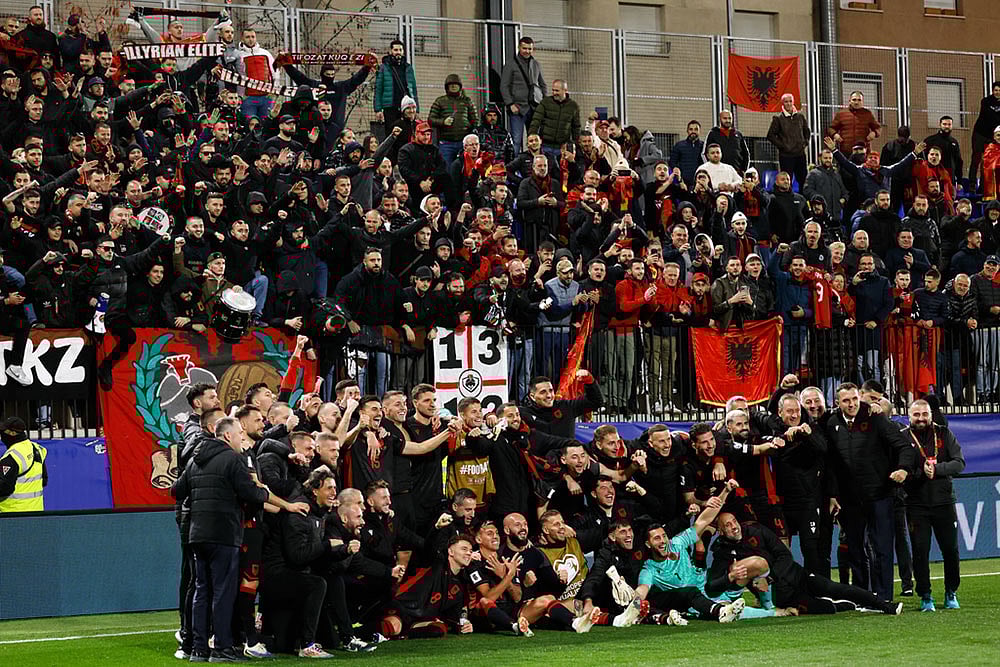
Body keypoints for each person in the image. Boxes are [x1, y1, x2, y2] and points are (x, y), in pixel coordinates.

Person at [172, 417, 309, 663]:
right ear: (227, 436)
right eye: (239, 434)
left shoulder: (194, 460)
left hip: (196, 534)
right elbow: (251, 493)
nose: (242, 439)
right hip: (224, 534)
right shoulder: (232, 459)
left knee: (201, 591)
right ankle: (223, 647)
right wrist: (264, 492)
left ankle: (199, 649)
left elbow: (176, 491)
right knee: (223, 592)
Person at [709, 511, 903, 616]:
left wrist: (770, 577)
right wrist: (730, 577)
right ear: (720, 531)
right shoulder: (722, 552)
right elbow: (712, 588)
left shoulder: (756, 530)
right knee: (825, 609)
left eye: (734, 521)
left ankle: (884, 605)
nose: (734, 526)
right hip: (783, 597)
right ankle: (853, 606)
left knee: (834, 587)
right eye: (727, 525)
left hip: (797, 575)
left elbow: (784, 556)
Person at [823, 383, 914, 603]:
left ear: (860, 398)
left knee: (882, 546)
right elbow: (831, 464)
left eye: (854, 399)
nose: (852, 404)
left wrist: (903, 469)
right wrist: (834, 494)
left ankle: (883, 597)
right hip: (850, 499)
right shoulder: (831, 422)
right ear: (838, 403)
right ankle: (861, 596)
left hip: (880, 494)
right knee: (855, 548)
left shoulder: (875, 418)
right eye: (846, 400)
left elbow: (904, 446)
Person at [902, 399, 964, 611]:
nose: (921, 418)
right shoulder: (903, 437)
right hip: (916, 504)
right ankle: (925, 595)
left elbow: (959, 462)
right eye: (916, 415)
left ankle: (951, 591)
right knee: (920, 551)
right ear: (909, 416)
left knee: (951, 550)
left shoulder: (944, 434)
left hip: (944, 502)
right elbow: (901, 469)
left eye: (924, 414)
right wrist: (920, 474)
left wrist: (938, 469)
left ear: (931, 415)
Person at [500, 36, 546, 151]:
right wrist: (510, 104)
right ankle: (514, 167)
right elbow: (504, 86)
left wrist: (544, 103)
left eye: (530, 49)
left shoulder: (536, 64)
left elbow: (542, 84)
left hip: (534, 107)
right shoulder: (510, 64)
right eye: (524, 48)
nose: (527, 51)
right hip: (518, 109)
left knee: (535, 140)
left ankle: (534, 164)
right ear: (519, 47)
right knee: (516, 140)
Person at [528, 80, 581, 164]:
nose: (554, 93)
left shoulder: (573, 106)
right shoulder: (545, 102)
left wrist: (576, 145)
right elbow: (536, 121)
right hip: (545, 146)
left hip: (562, 148)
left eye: (557, 90)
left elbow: (576, 127)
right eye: (553, 90)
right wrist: (531, 137)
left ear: (565, 90)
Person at [0, 417, 46, 512]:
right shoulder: (37, 449)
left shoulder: (12, 457)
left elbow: (4, 487)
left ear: (12, 433)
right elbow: (44, 480)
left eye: (3, 431)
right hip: (36, 513)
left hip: (12, 514)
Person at [767, 93, 810, 190]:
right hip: (786, 156)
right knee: (786, 181)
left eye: (790, 101)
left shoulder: (800, 117)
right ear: (782, 103)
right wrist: (783, 146)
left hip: (800, 154)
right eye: (786, 102)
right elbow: (771, 135)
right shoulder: (778, 118)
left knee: (803, 179)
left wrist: (804, 143)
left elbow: (807, 131)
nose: (789, 104)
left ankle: (804, 201)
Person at [374, 39, 418, 132]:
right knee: (391, 132)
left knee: (407, 132)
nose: (398, 52)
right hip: (390, 106)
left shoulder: (408, 67)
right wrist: (378, 109)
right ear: (391, 51)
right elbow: (378, 89)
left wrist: (416, 108)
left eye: (400, 50)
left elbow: (413, 89)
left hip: (406, 106)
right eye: (396, 50)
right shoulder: (384, 67)